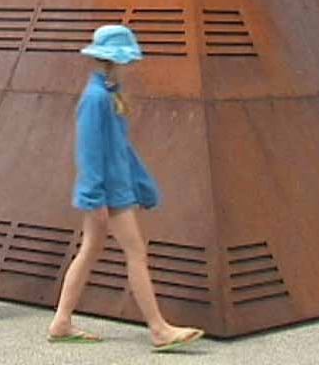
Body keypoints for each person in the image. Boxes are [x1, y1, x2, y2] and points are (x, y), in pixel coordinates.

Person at [47, 25, 205, 352]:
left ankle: (62, 320)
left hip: (110, 191)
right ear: (115, 60)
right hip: (109, 193)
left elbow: (119, 150)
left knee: (91, 249)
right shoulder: (98, 98)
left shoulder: (106, 95)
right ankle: (158, 329)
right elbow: (90, 152)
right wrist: (97, 197)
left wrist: (140, 187)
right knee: (135, 253)